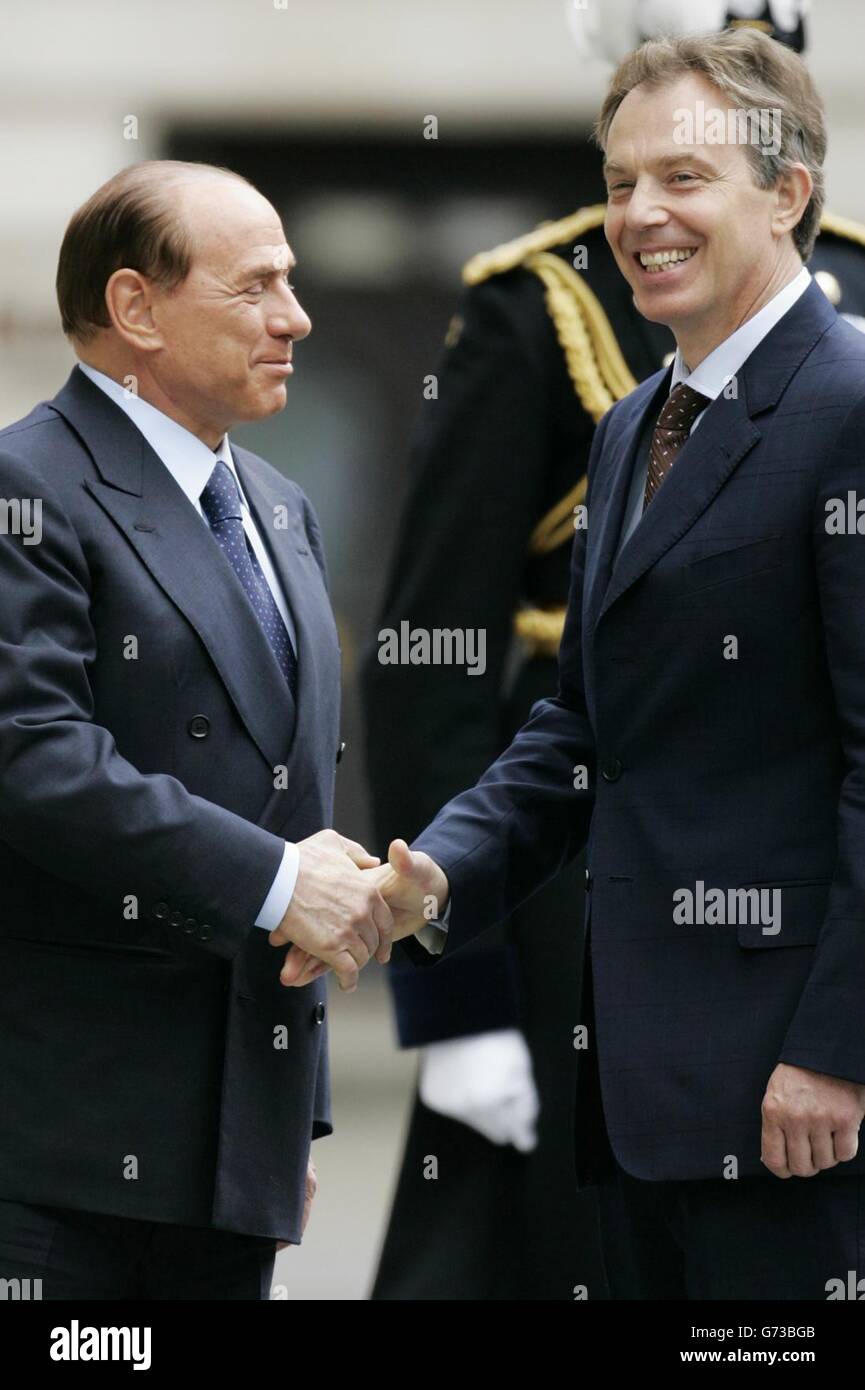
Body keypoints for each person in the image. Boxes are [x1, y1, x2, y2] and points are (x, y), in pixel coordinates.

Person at [290, 26, 865, 1299]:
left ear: (788, 193)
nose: (640, 215)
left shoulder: (850, 405)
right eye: (619, 185)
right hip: (635, 1085)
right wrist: (428, 883)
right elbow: (575, 728)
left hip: (798, 1094)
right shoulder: (627, 428)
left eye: (683, 178)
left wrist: (838, 1051)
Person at [0, 160, 395, 1300]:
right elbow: (34, 760)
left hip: (229, 1161)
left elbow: (292, 804)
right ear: (136, 309)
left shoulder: (277, 504)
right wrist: (278, 880)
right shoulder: (28, 486)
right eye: (255, 286)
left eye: (292, 281)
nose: (296, 316)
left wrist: (283, 1133)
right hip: (61, 1161)